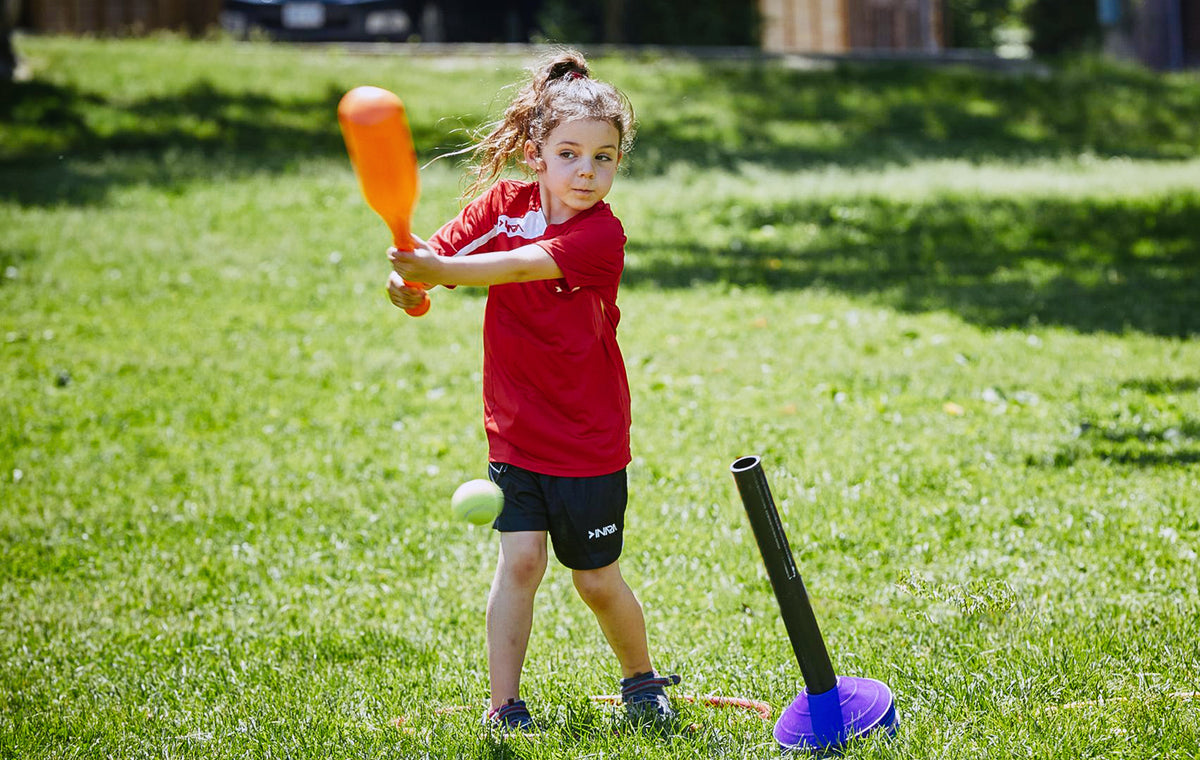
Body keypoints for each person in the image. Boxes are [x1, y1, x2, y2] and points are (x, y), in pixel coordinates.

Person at [385, 49, 677, 732]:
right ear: (534, 153)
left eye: (604, 158)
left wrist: (438, 270)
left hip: (587, 435)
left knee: (595, 580)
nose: (587, 171)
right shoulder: (504, 205)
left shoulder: (601, 234)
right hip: (514, 427)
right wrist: (411, 281)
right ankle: (504, 706)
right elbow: (445, 255)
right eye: (570, 153)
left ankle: (641, 682)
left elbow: (517, 268)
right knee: (519, 563)